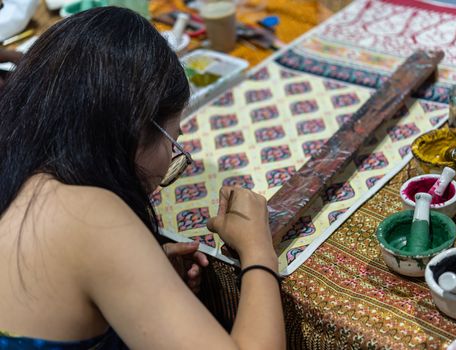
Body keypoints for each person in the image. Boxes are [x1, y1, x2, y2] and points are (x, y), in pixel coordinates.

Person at [0, 6, 284, 349]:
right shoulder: (89, 216)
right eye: (172, 141)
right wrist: (258, 249)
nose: (170, 161)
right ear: (137, 129)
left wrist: (138, 278)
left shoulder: (21, 166)